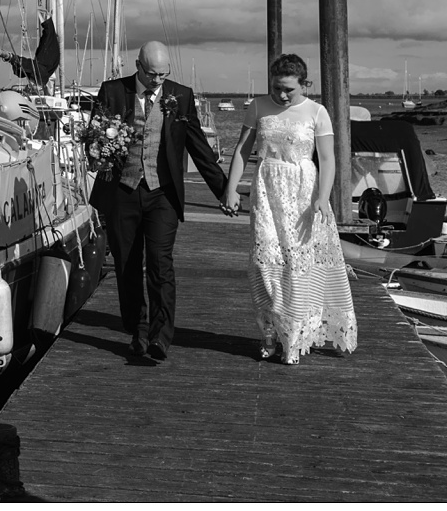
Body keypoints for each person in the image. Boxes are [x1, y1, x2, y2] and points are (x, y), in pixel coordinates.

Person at [90, 40, 227, 361]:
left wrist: (223, 190)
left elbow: (199, 147)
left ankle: (160, 337)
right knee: (126, 266)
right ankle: (136, 331)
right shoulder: (112, 92)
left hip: (162, 193)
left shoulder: (180, 95)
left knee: (160, 265)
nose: (157, 81)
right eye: (152, 74)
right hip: (123, 192)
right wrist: (98, 148)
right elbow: (93, 138)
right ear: (138, 66)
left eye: (163, 75)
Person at [222, 53, 357, 364]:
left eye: (289, 90)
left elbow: (327, 160)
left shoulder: (316, 112)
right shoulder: (257, 106)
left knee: (296, 269)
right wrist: (231, 189)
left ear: (303, 85)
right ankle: (269, 331)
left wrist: (323, 198)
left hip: (303, 196)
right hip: (267, 192)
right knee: (264, 263)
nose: (282, 95)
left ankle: (292, 338)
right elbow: (243, 150)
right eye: (277, 88)